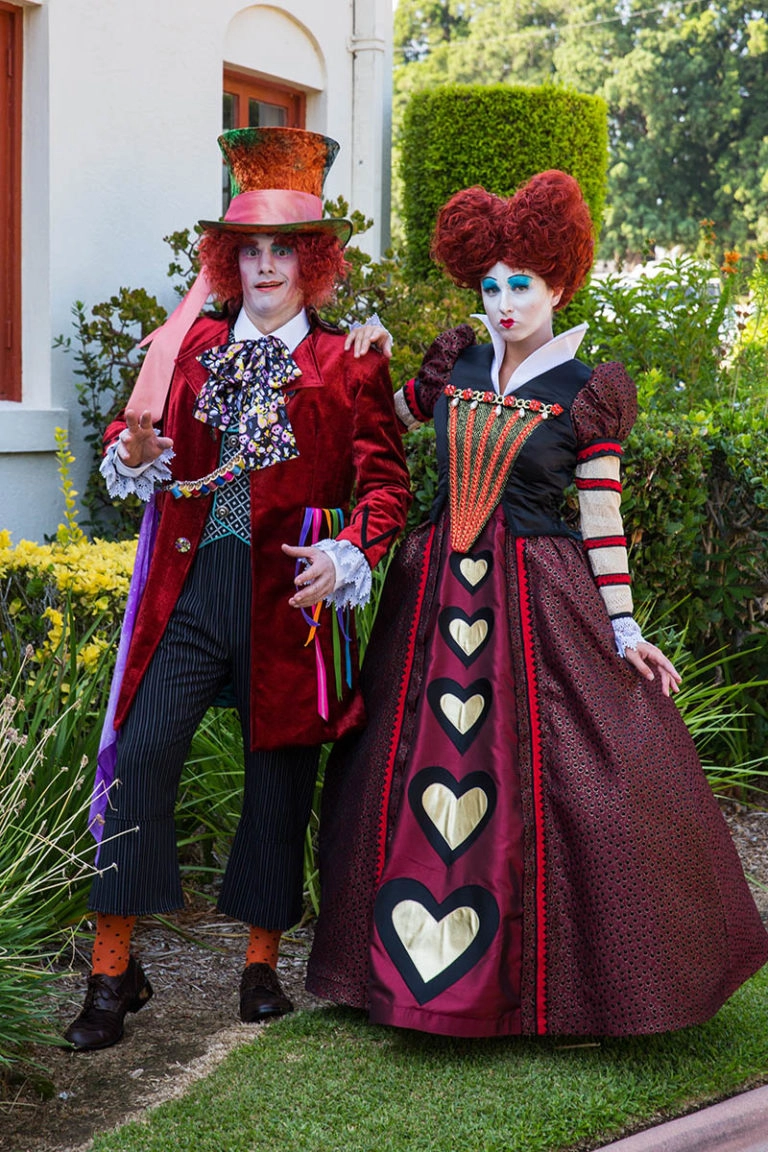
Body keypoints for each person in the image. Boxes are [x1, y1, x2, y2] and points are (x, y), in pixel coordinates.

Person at [306, 170, 768, 1037]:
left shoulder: (586, 390)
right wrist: (363, 353)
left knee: (569, 779)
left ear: (559, 284)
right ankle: (396, 976)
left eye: (521, 284)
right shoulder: (454, 363)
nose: (505, 302)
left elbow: (601, 517)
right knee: (400, 772)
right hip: (430, 592)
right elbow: (379, 420)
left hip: (535, 595)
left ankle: (556, 986)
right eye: (491, 286)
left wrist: (623, 627)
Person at [63, 127, 411, 1051]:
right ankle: (112, 973)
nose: (264, 266)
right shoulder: (187, 350)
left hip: (289, 597)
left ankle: (260, 967)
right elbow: (134, 445)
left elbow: (386, 488)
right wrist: (135, 450)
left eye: (282, 251)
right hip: (189, 593)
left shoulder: (350, 362)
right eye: (249, 250)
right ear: (228, 261)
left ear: (313, 263)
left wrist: (345, 553)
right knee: (141, 757)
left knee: (278, 782)